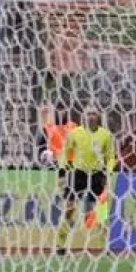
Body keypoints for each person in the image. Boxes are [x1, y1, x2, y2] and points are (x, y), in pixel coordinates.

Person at [57, 106, 116, 255]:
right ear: (84, 116)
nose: (91, 116)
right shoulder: (74, 133)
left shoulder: (106, 135)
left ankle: (105, 246)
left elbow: (110, 157)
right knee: (70, 210)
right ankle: (60, 244)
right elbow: (66, 152)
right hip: (78, 174)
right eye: (88, 113)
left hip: (97, 175)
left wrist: (108, 173)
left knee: (101, 213)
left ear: (98, 117)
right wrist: (64, 169)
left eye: (94, 113)